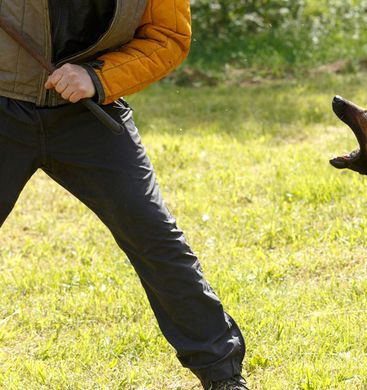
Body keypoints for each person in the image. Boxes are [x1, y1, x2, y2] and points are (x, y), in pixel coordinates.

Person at [0, 1, 248, 389]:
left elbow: (167, 37)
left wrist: (98, 78)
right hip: (3, 105)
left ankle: (222, 374)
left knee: (153, 235)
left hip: (88, 111)